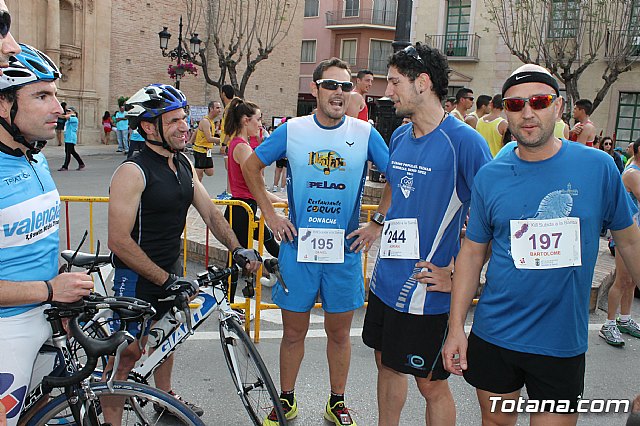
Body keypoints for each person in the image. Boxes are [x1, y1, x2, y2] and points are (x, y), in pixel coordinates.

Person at [442, 64, 640, 426]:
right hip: (495, 334)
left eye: (539, 100)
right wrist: (456, 327)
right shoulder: (490, 176)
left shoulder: (598, 167)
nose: (527, 112)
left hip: (561, 341)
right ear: (505, 111)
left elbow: (629, 242)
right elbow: (473, 253)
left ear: (559, 107)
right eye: (515, 105)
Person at [349, 43, 491, 426]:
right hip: (386, 281)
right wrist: (377, 223)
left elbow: (494, 215)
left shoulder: (464, 143)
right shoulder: (399, 136)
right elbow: (396, 187)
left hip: (425, 291)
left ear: (423, 83)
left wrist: (460, 274)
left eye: (394, 82)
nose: (386, 91)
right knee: (385, 364)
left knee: (430, 384)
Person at [102, 83, 262, 425]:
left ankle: (163, 394)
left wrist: (237, 248)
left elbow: (211, 213)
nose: (185, 125)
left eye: (185, 118)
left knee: (166, 340)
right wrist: (165, 279)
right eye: (174, 120)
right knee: (125, 358)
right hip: (136, 277)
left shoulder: (183, 164)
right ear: (149, 127)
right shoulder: (133, 171)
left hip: (169, 269)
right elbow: (118, 240)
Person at [242, 57, 389, 426]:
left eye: (345, 86)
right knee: (294, 332)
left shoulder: (365, 132)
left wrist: (377, 222)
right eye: (330, 85)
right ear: (315, 90)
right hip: (299, 249)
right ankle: (286, 400)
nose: (338, 93)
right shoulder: (293, 130)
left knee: (339, 334)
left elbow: (398, 176)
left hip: (344, 252)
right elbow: (250, 167)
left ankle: (336, 402)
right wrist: (270, 214)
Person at [0, 44, 94, 426]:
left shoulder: (33, 155)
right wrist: (51, 292)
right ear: (4, 106)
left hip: (45, 314)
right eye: (42, 95)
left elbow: (41, 237)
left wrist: (61, 296)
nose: (59, 108)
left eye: (56, 94)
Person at [600, 137, 640, 346]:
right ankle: (608, 324)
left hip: (636, 236)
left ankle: (625, 319)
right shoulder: (633, 173)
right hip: (626, 236)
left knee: (632, 280)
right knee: (622, 279)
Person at [192, 100, 222, 180]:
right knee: (199, 176)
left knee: (210, 172)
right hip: (200, 150)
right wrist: (223, 141)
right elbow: (209, 139)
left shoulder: (211, 121)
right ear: (211, 109)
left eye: (220, 108)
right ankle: (195, 190)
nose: (220, 110)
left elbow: (196, 130)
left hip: (207, 151)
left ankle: (193, 169)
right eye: (217, 108)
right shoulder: (205, 121)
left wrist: (190, 141)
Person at [217, 84, 236, 200]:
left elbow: (229, 127)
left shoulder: (229, 108)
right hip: (229, 141)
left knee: (229, 168)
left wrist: (224, 143)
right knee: (229, 168)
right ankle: (229, 190)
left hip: (229, 143)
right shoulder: (230, 107)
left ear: (223, 93)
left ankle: (230, 192)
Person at [58, 106, 85, 171]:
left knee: (68, 152)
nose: (67, 112)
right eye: (67, 111)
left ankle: (65, 166)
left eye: (69, 111)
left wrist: (57, 115)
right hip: (68, 137)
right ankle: (81, 163)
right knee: (72, 152)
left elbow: (65, 116)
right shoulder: (69, 119)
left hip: (71, 138)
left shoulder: (74, 118)